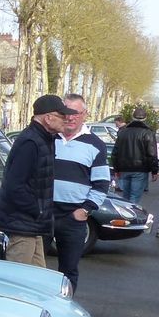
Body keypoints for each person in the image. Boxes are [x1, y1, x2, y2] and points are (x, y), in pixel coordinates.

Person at [0, 94, 68, 267]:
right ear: (48, 118)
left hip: (33, 225)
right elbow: (14, 186)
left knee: (39, 276)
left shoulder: (45, 138)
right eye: (62, 116)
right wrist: (39, 210)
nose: (66, 119)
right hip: (22, 225)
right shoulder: (30, 142)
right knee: (18, 277)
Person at [52, 94, 110, 291]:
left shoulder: (95, 144)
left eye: (75, 113)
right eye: (66, 112)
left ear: (85, 114)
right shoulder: (49, 138)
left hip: (73, 217)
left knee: (68, 271)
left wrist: (85, 210)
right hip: (43, 213)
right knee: (35, 268)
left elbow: (101, 184)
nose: (70, 117)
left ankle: (64, 308)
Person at [110, 106, 158, 204]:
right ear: (145, 118)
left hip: (124, 167)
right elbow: (152, 153)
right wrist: (154, 171)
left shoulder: (123, 132)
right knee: (134, 197)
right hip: (140, 168)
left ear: (133, 117)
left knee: (125, 197)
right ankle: (132, 213)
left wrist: (116, 169)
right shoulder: (148, 132)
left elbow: (115, 152)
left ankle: (126, 212)